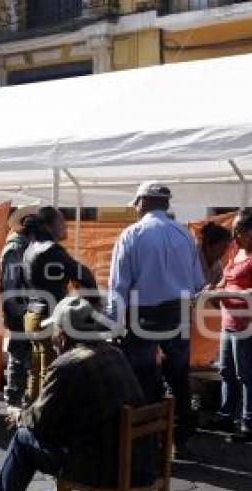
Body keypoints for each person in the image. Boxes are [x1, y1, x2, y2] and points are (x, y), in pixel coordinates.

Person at [0, 296, 155, 491]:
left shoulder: (68, 365)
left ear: (63, 335)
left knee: (23, 440)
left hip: (105, 470)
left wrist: (18, 415)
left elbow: (39, 421)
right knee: (66, 429)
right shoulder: (115, 353)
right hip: (139, 463)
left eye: (55, 331)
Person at [108, 181, 204, 447]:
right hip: (178, 312)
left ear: (144, 202)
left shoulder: (132, 234)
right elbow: (198, 282)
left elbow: (119, 286)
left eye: (137, 203)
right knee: (178, 376)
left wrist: (114, 324)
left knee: (143, 375)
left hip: (144, 314)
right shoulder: (185, 235)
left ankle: (148, 439)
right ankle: (179, 438)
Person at [203, 211, 252, 442]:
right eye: (235, 231)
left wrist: (223, 293)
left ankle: (249, 423)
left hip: (250, 324)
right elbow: (225, 281)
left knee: (245, 374)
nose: (234, 237)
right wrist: (213, 289)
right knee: (226, 371)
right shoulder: (237, 253)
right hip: (229, 321)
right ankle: (226, 416)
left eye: (239, 231)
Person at [22, 206, 97, 404]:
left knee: (37, 371)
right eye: (61, 222)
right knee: (50, 374)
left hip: (32, 315)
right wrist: (93, 302)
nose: (66, 226)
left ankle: (30, 416)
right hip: (49, 318)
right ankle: (42, 421)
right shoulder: (52, 250)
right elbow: (84, 274)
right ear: (47, 226)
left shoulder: (29, 248)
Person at [0, 205, 38, 413]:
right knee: (18, 356)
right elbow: (10, 287)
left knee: (24, 357)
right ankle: (13, 401)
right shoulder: (15, 249)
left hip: (26, 311)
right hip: (19, 312)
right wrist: (21, 314)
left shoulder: (28, 246)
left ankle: (18, 399)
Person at [198, 222, 232, 286]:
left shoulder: (218, 266)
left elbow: (217, 287)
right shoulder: (192, 260)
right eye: (223, 246)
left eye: (226, 247)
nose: (224, 251)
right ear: (209, 245)